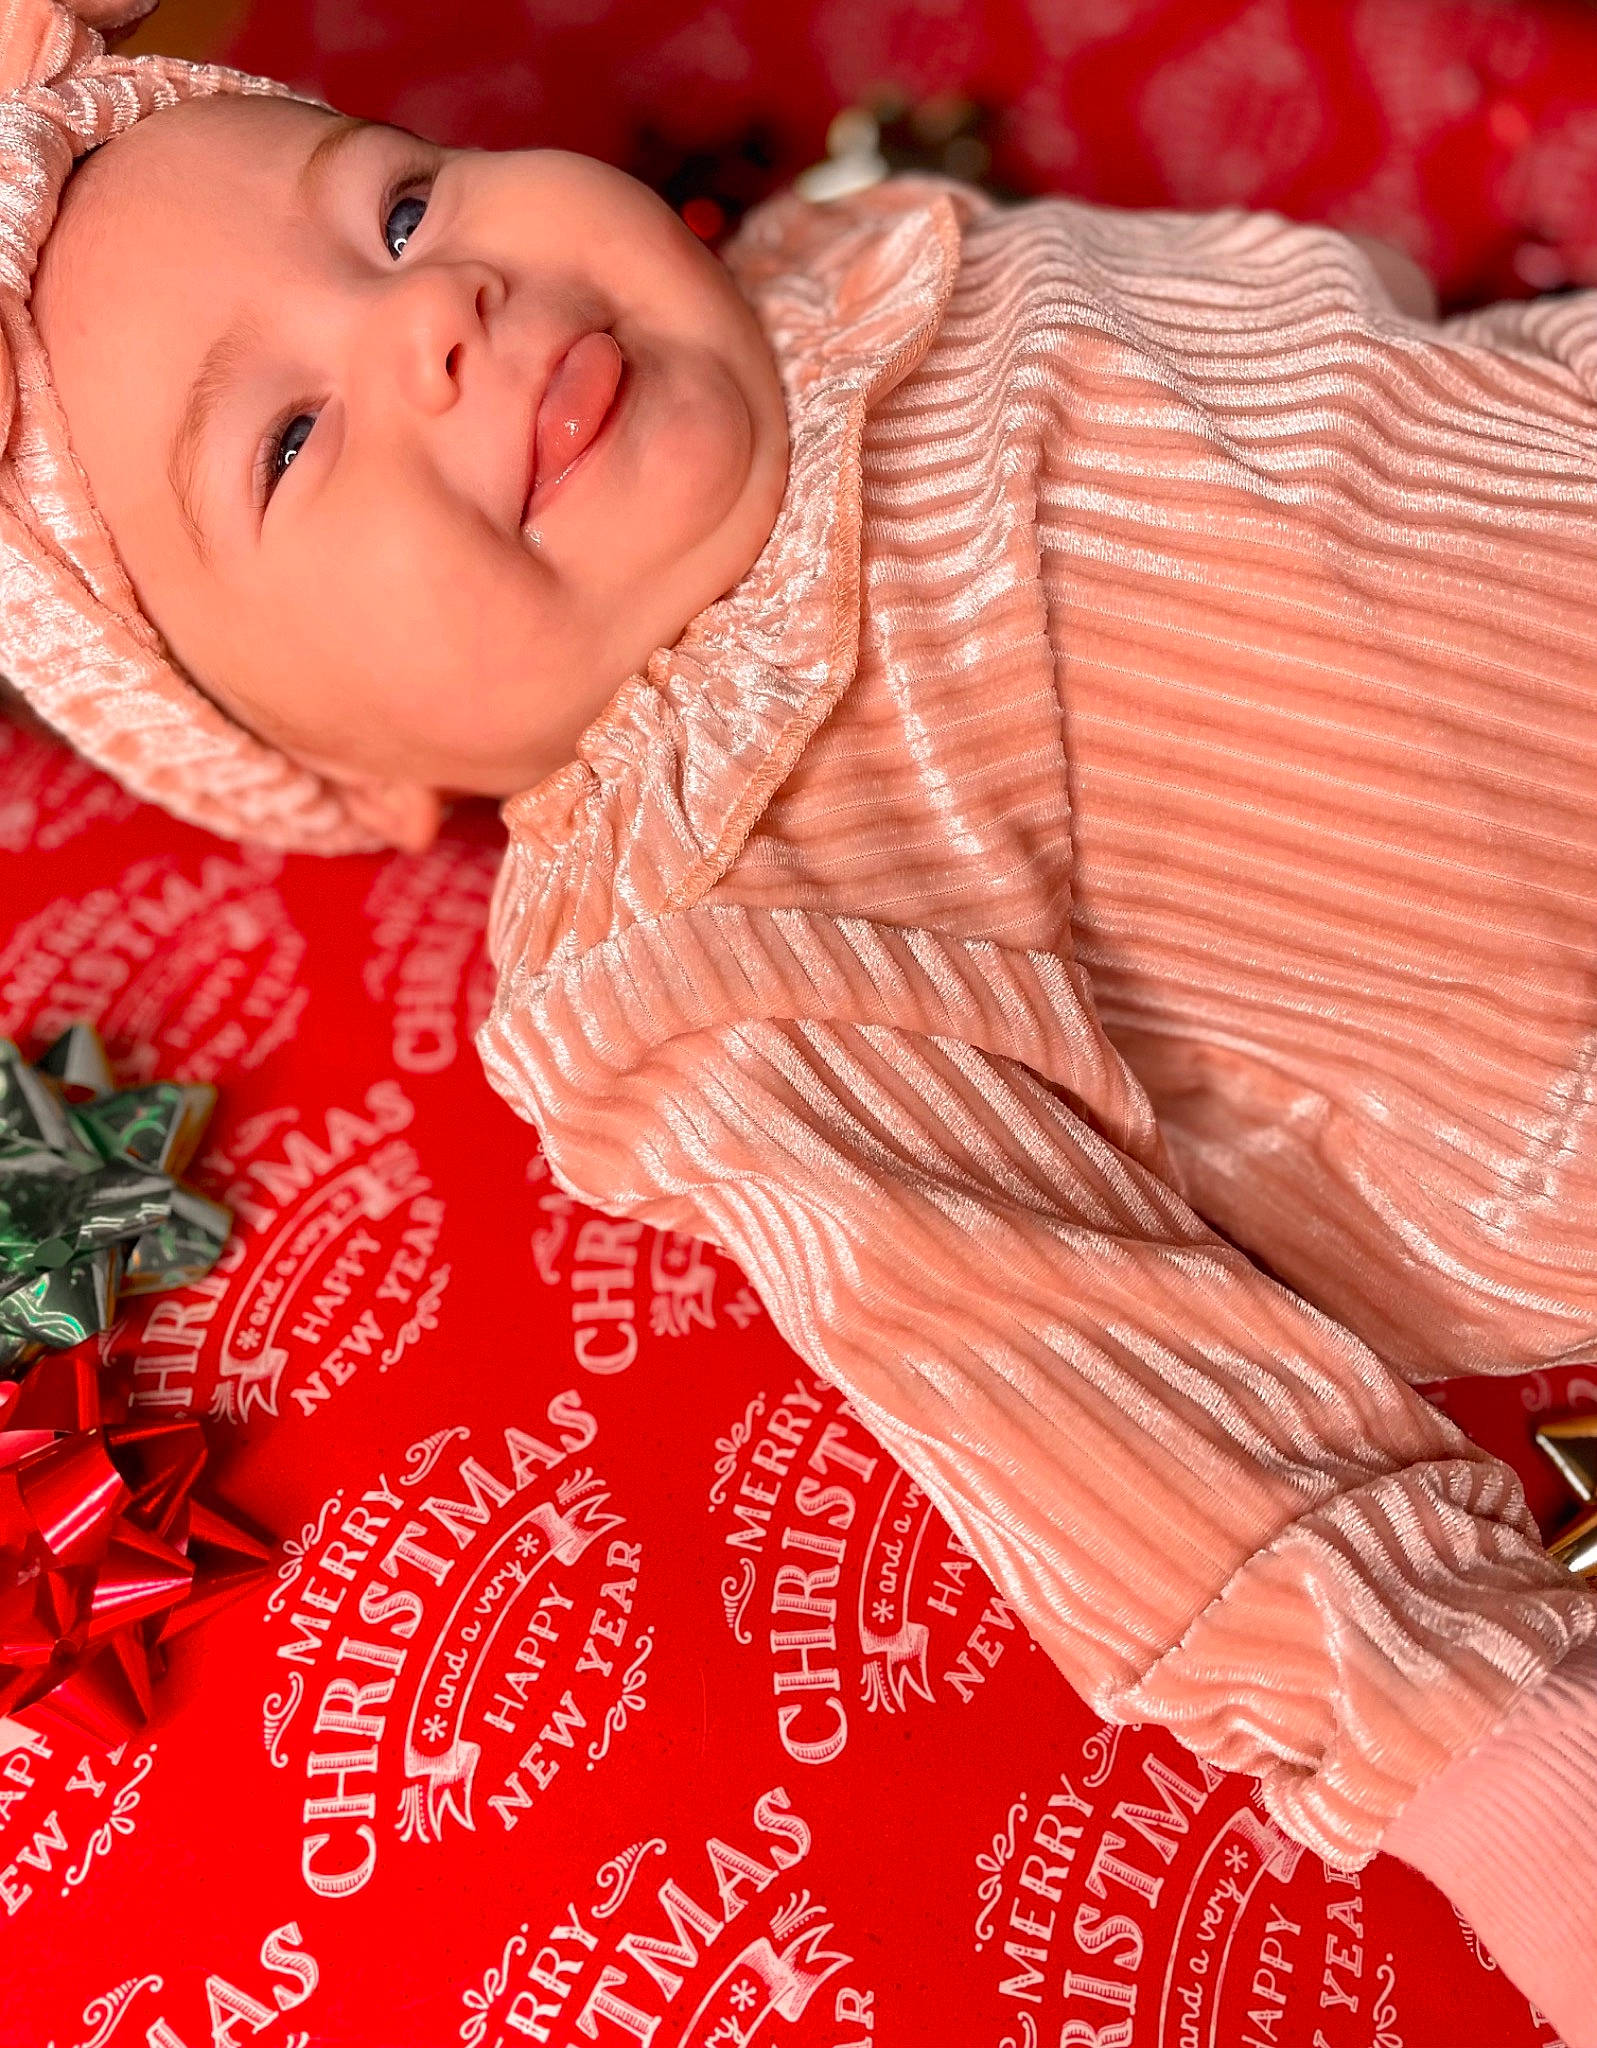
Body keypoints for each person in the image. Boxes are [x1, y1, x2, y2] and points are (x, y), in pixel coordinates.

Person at [6, 2, 1597, 2036]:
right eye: (288, 441)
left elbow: (1348, 359)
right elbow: (1061, 1358)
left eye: (396, 204)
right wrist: (1494, 1750)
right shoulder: (716, 927)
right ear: (326, 752)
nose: (440, 314)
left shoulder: (853, 273)